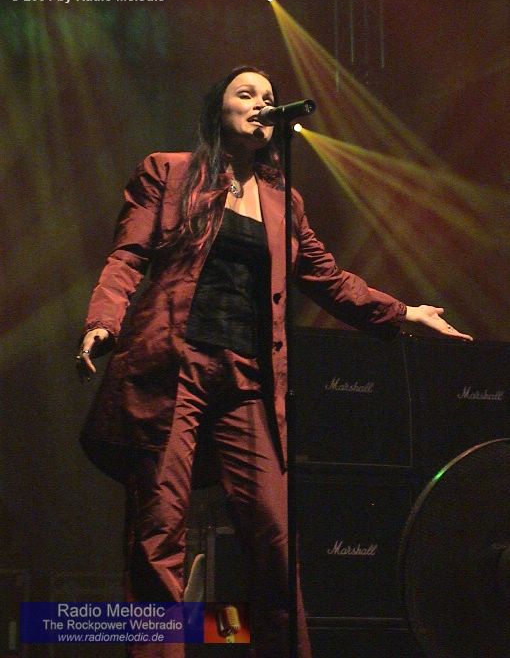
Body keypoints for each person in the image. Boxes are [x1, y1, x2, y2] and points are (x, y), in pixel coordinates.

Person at [76, 65, 472, 658]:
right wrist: (103, 320)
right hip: (173, 368)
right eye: (247, 94)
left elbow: (328, 278)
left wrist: (403, 312)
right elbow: (127, 256)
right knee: (159, 531)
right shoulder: (169, 171)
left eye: (269, 97)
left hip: (249, 380)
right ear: (219, 110)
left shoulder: (285, 203)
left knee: (275, 537)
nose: (262, 104)